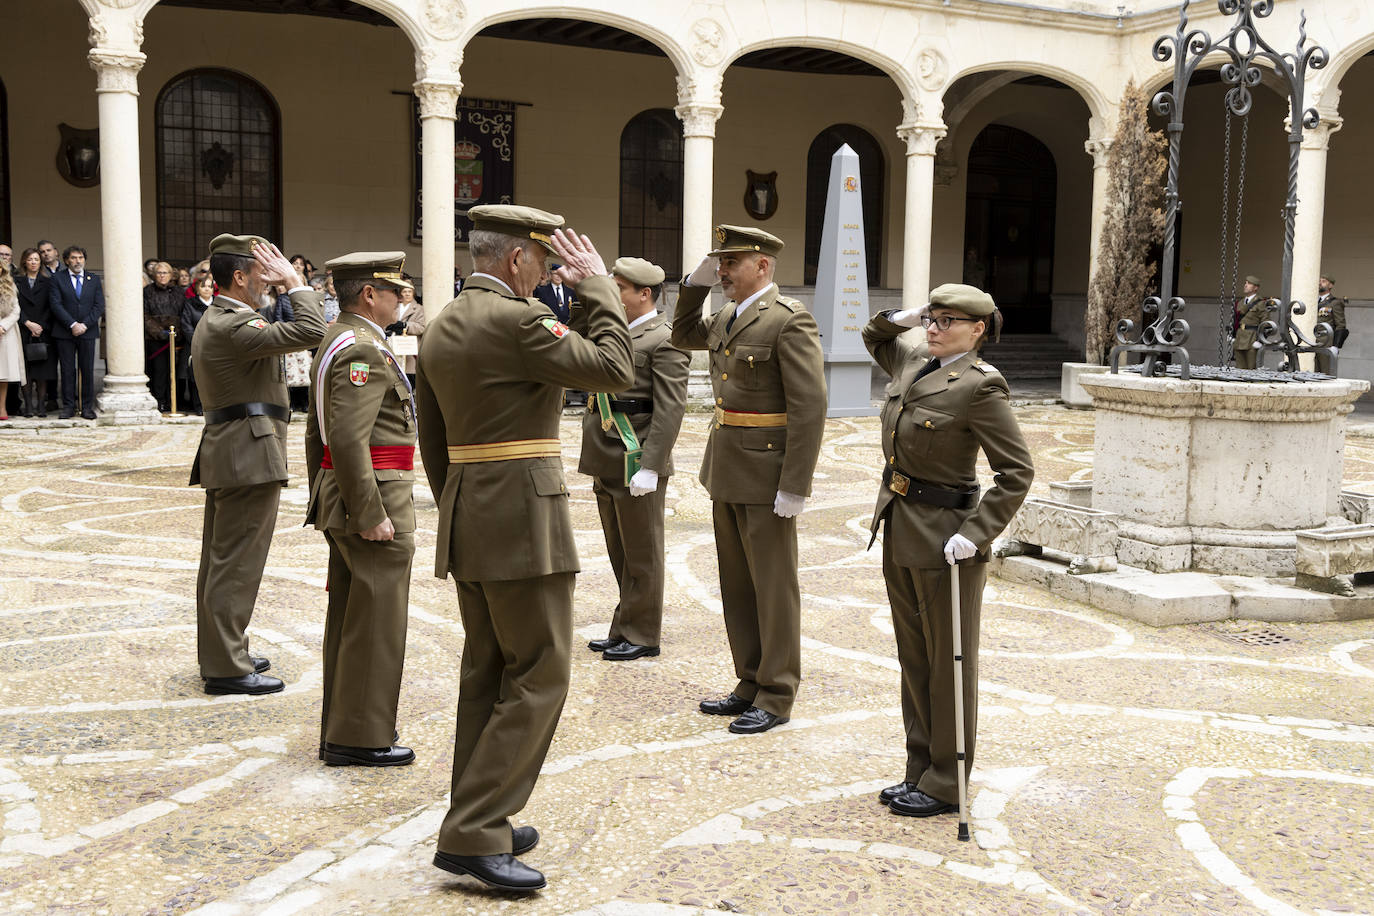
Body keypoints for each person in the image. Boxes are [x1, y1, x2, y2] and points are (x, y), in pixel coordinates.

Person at [416, 205, 633, 892]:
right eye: (542, 262)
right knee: (540, 671)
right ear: (515, 260)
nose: (548, 275)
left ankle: (480, 812)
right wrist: (598, 286)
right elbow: (613, 369)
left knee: (488, 670)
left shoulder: (443, 319)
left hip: (471, 507)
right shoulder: (517, 320)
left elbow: (432, 435)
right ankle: (475, 831)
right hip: (520, 515)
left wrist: (458, 500)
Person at [863, 284, 1033, 819]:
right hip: (900, 523)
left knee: (949, 662)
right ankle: (920, 768)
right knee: (914, 657)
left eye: (947, 321)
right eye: (931, 319)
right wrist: (906, 315)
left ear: (979, 329)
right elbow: (874, 335)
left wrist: (978, 532)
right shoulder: (915, 358)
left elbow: (1016, 472)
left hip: (947, 538)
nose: (933, 329)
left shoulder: (981, 387)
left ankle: (946, 782)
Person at [671, 225, 827, 735]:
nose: (722, 272)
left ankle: (778, 693)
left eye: (731, 262)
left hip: (767, 474)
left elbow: (809, 406)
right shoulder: (726, 316)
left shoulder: (788, 320)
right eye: (719, 263)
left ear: (762, 265)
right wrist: (691, 287)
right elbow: (682, 335)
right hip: (728, 467)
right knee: (737, 584)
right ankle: (750, 680)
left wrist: (794, 484)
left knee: (774, 586)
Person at [189, 234, 325, 696]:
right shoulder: (233, 323)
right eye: (261, 271)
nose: (268, 279)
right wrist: (296, 283)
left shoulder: (228, 318)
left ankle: (224, 649)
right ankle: (226, 667)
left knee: (221, 560)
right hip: (247, 452)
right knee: (236, 564)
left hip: (236, 449)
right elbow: (312, 331)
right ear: (240, 276)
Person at [305, 252, 418, 768]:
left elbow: (317, 433)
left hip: (349, 494)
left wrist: (326, 492)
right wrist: (367, 510)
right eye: (396, 290)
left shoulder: (342, 337)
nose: (404, 298)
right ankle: (361, 737)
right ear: (370, 294)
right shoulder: (363, 349)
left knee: (353, 618)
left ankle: (345, 727)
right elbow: (348, 439)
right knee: (376, 623)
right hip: (373, 497)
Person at [578, 257, 690, 661]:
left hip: (636, 457)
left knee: (643, 551)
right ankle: (624, 624)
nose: (613, 295)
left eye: (619, 289)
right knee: (619, 551)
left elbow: (670, 408)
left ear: (644, 294)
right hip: (605, 456)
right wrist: (583, 288)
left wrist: (652, 465)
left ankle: (643, 633)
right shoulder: (609, 333)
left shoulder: (666, 339)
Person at [48, 245, 104, 420]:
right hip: (65, 332)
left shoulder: (93, 279)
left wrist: (85, 325)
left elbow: (99, 305)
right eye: (73, 258)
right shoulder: (57, 278)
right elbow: (55, 304)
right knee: (67, 370)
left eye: (80, 257)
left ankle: (87, 407)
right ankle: (68, 407)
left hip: (87, 331)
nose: (77, 261)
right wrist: (72, 324)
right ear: (66, 260)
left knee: (86, 369)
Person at [17, 249, 55, 417]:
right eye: (30, 259)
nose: (33, 262)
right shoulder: (16, 281)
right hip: (23, 329)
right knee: (25, 370)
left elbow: (51, 306)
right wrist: (27, 323)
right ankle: (28, 406)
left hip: (42, 330)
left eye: (36, 259)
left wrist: (39, 326)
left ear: (41, 263)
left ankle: (40, 405)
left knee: (42, 371)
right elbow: (13, 306)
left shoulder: (48, 282)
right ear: (24, 261)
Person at [143, 261, 182, 412]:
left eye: (165, 273)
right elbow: (145, 315)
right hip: (155, 339)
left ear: (171, 275)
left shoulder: (179, 292)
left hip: (176, 338)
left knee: (175, 371)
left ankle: (174, 401)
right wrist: (159, 332)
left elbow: (183, 313)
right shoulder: (147, 291)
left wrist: (177, 332)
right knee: (159, 371)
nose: (162, 276)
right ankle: (160, 401)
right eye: (159, 273)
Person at [180, 274, 215, 414]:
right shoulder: (190, 304)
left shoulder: (218, 304)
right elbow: (186, 326)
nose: (206, 289)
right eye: (203, 286)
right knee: (196, 378)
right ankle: (199, 406)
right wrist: (198, 342)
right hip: (194, 347)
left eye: (209, 286)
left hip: (215, 347)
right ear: (197, 289)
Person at [384, 274, 425, 386]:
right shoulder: (394, 307)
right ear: (401, 293)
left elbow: (421, 327)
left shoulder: (419, 309)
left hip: (409, 348)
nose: (407, 294)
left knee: (409, 382)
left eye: (409, 291)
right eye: (404, 291)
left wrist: (405, 325)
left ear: (413, 293)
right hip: (394, 345)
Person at [0, 270, 25, 419]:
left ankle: (2, 408)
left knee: (3, 375)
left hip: (5, 333)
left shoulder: (10, 286)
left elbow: (16, 310)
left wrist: (3, 325)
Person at [1232, 275, 1267, 370]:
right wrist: (1233, 335)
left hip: (1252, 339)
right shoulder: (1240, 303)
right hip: (1239, 337)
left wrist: (1260, 340)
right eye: (1245, 283)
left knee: (1251, 368)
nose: (1245, 285)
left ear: (1256, 287)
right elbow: (1235, 320)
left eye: (1249, 283)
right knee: (1239, 368)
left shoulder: (1261, 303)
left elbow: (1266, 323)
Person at [1314, 271, 1346, 375]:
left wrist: (1336, 346)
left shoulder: (1335, 303)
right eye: (1319, 281)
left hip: (1326, 342)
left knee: (1325, 373)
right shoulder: (1312, 301)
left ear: (1330, 285)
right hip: (1311, 340)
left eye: (1324, 281)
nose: (1320, 283)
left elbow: (1341, 325)